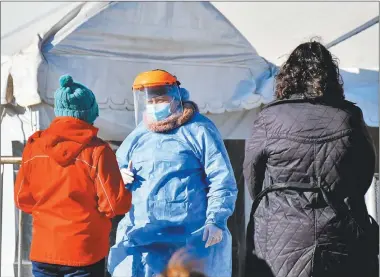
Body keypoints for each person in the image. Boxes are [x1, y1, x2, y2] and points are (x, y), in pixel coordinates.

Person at [243, 41, 378, 277]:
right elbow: (365, 171)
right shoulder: (349, 116)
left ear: (288, 76)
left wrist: (278, 201)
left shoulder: (268, 118)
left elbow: (253, 176)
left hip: (279, 231)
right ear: (330, 76)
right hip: (338, 228)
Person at [108, 69, 237, 277]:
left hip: (189, 240)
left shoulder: (199, 130)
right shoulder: (140, 134)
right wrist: (118, 177)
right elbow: (113, 173)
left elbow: (221, 178)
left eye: (160, 99)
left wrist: (216, 219)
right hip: (144, 240)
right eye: (150, 102)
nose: (154, 106)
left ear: (176, 97)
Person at [14, 75, 132, 277]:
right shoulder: (98, 151)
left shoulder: (34, 148)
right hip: (84, 251)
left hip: (44, 249)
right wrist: (126, 187)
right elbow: (113, 205)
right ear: (89, 113)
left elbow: (22, 199)